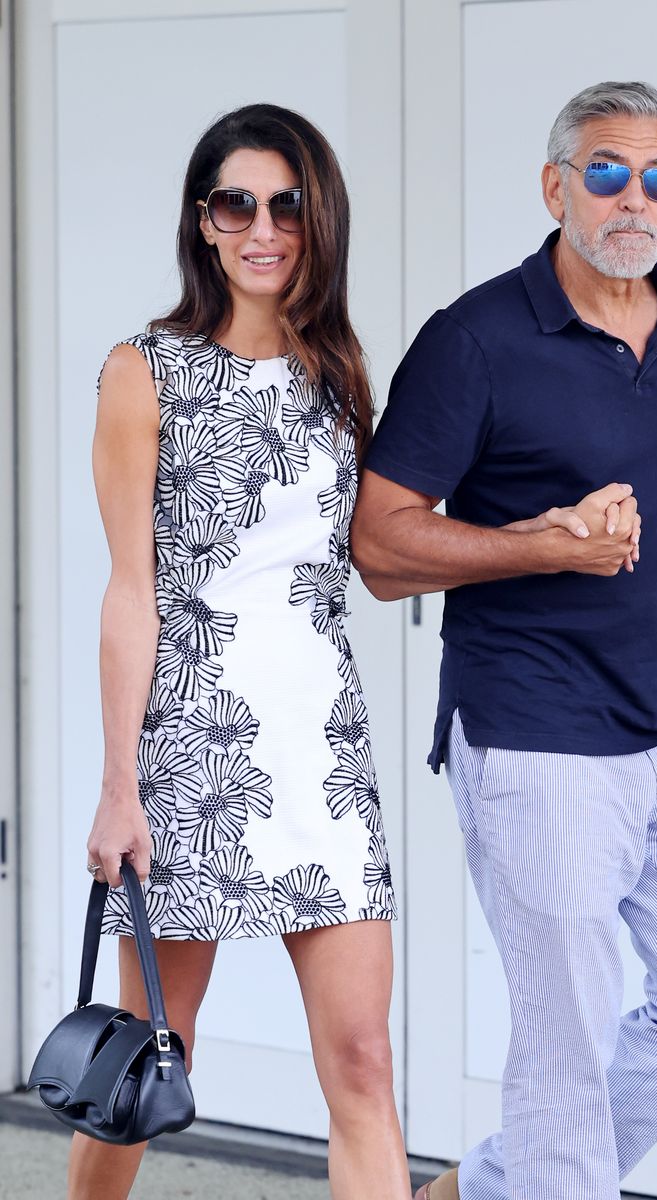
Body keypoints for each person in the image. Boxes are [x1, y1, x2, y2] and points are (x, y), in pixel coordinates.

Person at [351, 81, 657, 1200]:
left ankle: (489, 1186)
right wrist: (539, 544)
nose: (635, 199)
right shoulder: (474, 340)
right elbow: (380, 547)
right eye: (606, 173)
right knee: (564, 1059)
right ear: (555, 186)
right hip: (533, 733)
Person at [73, 103, 411, 1200]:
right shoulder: (146, 371)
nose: (263, 227)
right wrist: (119, 789)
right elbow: (132, 593)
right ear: (203, 221)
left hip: (322, 749)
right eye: (237, 203)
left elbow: (371, 557)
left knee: (362, 1064)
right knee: (140, 1062)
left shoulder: (339, 372)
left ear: (320, 218)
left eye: (287, 204)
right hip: (192, 756)